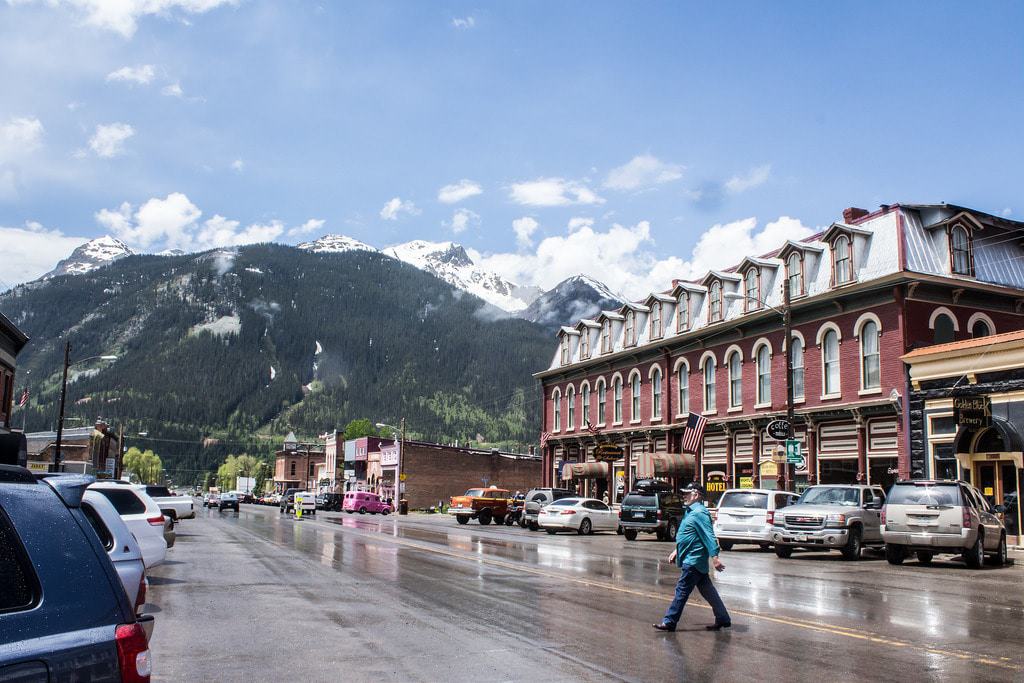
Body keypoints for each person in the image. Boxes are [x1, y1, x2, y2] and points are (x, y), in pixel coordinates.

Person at [653, 482, 731, 632]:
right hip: (692, 558)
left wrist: (715, 557)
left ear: (696, 495)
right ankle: (723, 618)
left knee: (681, 591)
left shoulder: (700, 513)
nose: (684, 496)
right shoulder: (690, 511)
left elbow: (708, 535)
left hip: (693, 560)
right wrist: (677, 550)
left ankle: (670, 621)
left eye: (687, 493)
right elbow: (688, 535)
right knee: (708, 591)